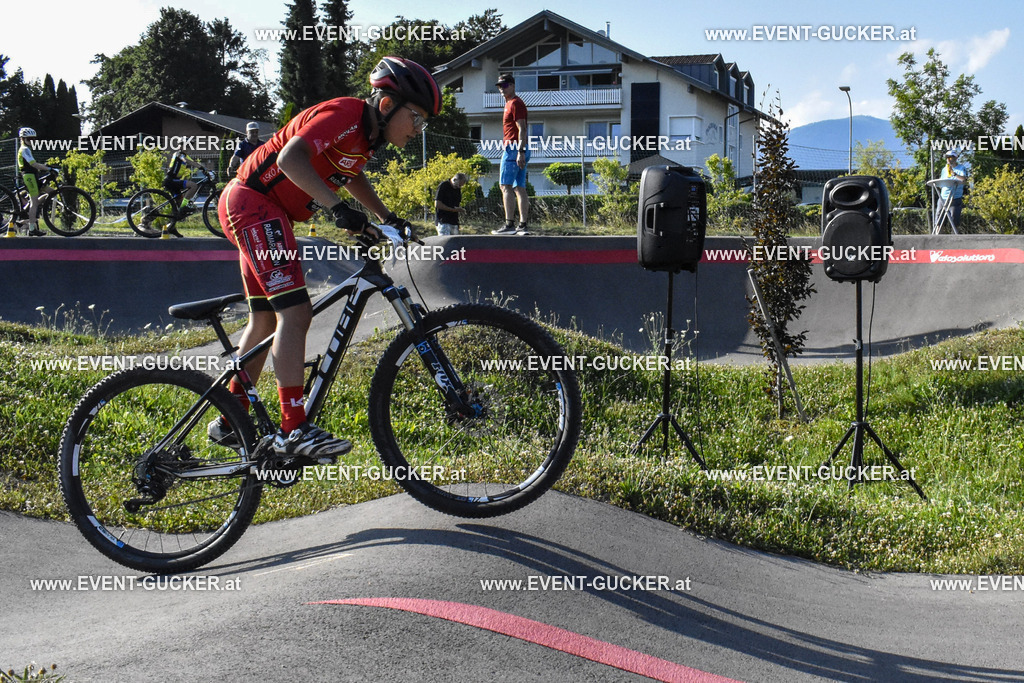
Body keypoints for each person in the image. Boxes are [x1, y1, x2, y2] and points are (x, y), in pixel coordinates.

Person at [210, 56, 441, 461]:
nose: (418, 130)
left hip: (262, 209)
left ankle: (229, 420)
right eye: (417, 118)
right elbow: (289, 160)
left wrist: (385, 219)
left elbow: (350, 175)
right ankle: (293, 428)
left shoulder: (365, 139)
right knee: (296, 314)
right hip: (253, 203)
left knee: (265, 319)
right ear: (387, 105)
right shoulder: (345, 114)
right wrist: (337, 210)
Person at [491, 74, 530, 235]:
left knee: (505, 186)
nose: (502, 88)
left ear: (513, 85)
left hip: (514, 148)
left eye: (505, 85)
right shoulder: (509, 103)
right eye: (500, 86)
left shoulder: (515, 103)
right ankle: (522, 225)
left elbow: (522, 128)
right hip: (519, 148)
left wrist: (520, 152)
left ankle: (509, 225)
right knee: (519, 187)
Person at [16, 127, 57, 236]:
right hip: (29, 176)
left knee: (52, 192)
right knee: (34, 202)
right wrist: (49, 168)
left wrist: (47, 167)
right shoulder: (24, 149)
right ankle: (32, 228)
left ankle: (25, 220)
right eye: (29, 139)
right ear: (23, 139)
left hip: (33, 175)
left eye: (34, 139)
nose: (32, 141)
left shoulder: (27, 149)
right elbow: (33, 164)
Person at [162, 146, 209, 237]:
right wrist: (202, 168)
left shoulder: (184, 155)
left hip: (173, 182)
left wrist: (204, 169)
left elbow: (193, 162)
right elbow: (189, 161)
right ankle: (184, 207)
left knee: (177, 208)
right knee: (193, 185)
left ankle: (171, 227)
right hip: (171, 181)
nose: (188, 148)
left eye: (189, 146)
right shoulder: (179, 154)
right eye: (186, 146)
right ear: (181, 146)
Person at [938, 149, 968, 230]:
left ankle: (954, 237)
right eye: (947, 158)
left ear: (955, 158)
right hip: (943, 197)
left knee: (954, 219)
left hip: (955, 198)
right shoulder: (944, 169)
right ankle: (938, 236)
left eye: (950, 157)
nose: (948, 159)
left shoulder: (961, 168)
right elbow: (941, 182)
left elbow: (963, 179)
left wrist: (953, 173)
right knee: (939, 218)